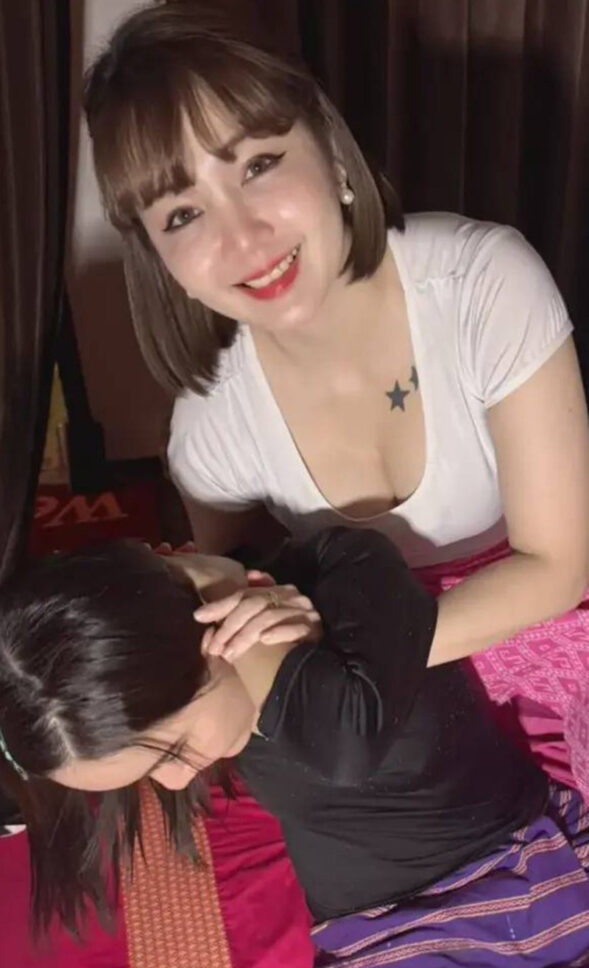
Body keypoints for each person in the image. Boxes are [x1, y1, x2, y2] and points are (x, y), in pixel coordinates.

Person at [83, 2, 589, 796]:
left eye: (257, 165)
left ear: (329, 149)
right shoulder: (208, 429)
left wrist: (347, 657)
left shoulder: (481, 282)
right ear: (158, 257)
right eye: (182, 214)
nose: (243, 238)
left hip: (544, 644)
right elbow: (242, 587)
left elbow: (556, 570)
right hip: (390, 709)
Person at [1, 527, 589, 968]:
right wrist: (222, 585)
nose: (178, 782)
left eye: (172, 751)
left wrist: (232, 592)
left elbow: (347, 736)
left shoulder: (338, 596)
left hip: (491, 894)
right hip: (380, 943)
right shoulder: (267, 641)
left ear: (204, 647)